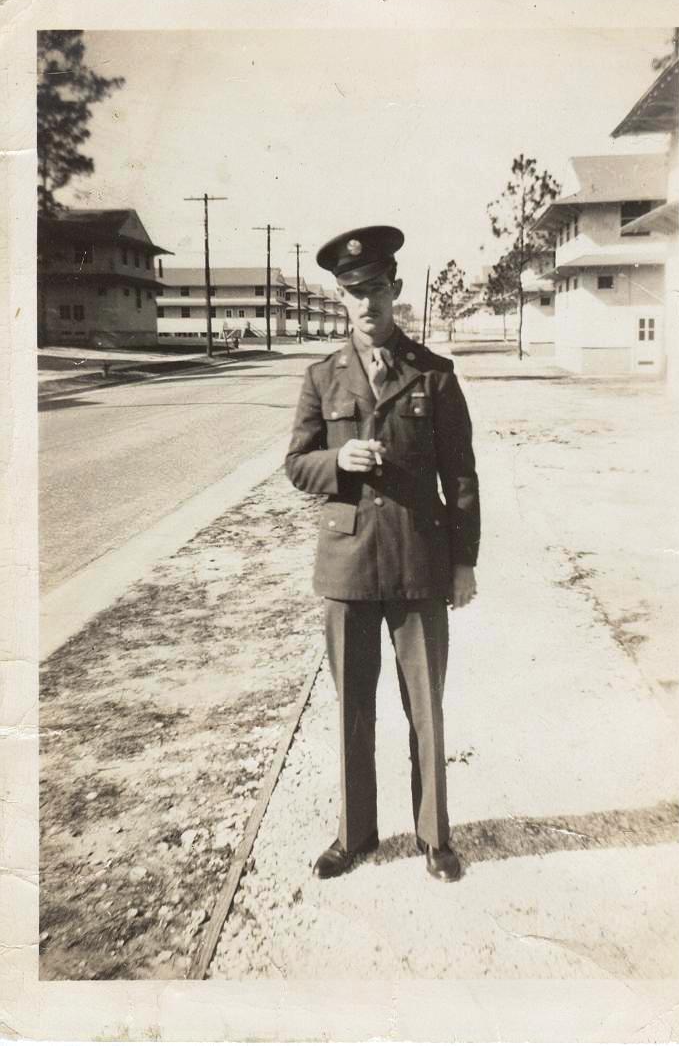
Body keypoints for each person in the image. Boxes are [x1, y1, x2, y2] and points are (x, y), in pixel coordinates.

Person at [285, 225, 480, 883]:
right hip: (347, 566)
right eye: (350, 293)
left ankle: (435, 837)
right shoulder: (321, 376)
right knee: (352, 710)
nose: (364, 304)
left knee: (424, 707)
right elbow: (295, 464)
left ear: (395, 289)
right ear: (340, 298)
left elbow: (460, 476)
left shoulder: (435, 374)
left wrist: (463, 560)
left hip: (419, 563)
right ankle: (356, 834)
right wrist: (337, 459)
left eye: (374, 290)